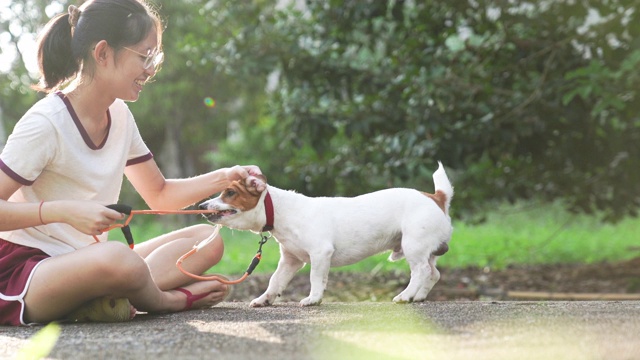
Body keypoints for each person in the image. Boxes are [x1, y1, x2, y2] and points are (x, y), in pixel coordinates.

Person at [0, 0, 260, 326]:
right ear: (103, 53)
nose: (151, 69)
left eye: (155, 57)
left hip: (87, 261)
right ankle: (165, 300)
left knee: (207, 241)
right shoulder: (45, 123)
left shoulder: (120, 115)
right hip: (25, 270)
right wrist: (63, 211)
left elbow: (160, 194)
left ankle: (104, 297)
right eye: (145, 56)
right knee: (118, 259)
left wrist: (227, 177)